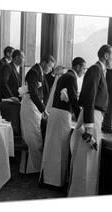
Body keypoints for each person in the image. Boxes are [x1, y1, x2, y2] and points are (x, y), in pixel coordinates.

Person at [68, 45, 112, 197]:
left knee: (89, 160)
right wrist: (89, 127)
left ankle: (85, 195)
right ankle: (81, 196)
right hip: (92, 118)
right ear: (106, 56)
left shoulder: (100, 71)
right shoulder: (95, 70)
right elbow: (89, 98)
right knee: (86, 160)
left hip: (94, 117)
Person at [40, 57, 86, 188]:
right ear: (77, 67)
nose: (83, 71)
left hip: (56, 113)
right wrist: (79, 117)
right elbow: (72, 98)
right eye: (83, 68)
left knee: (52, 147)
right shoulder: (71, 78)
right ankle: (55, 182)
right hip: (62, 115)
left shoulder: (65, 76)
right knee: (61, 148)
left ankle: (49, 179)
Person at [19, 55, 55, 174]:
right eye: (50, 67)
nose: (50, 70)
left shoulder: (39, 71)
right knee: (34, 137)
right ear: (44, 63)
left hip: (33, 106)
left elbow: (44, 87)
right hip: (30, 106)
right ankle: (36, 169)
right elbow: (34, 93)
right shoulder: (34, 72)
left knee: (36, 136)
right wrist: (43, 110)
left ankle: (33, 168)